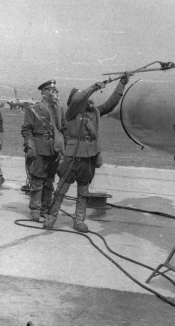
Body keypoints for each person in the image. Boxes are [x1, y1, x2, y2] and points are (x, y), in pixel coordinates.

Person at [43, 75, 129, 232]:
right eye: (85, 99)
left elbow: (110, 104)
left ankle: (79, 221)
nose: (90, 101)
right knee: (61, 190)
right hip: (72, 157)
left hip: (89, 158)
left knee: (83, 191)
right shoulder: (71, 113)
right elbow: (78, 100)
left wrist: (121, 84)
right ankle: (51, 218)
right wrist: (94, 87)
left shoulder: (94, 112)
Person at [21, 80, 69, 222]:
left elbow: (64, 130)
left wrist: (66, 148)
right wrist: (30, 146)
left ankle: (45, 208)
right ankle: (35, 209)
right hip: (39, 148)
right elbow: (27, 129)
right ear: (43, 93)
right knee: (37, 180)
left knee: (49, 180)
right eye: (51, 91)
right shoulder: (34, 109)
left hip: (54, 150)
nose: (55, 94)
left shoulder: (60, 110)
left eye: (56, 91)